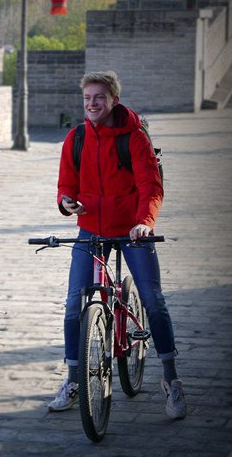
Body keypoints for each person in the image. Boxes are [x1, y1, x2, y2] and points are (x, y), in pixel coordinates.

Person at [49, 70, 186, 420]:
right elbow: (66, 185)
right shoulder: (76, 138)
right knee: (72, 303)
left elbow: (151, 187)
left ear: (113, 100)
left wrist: (144, 222)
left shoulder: (134, 138)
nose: (92, 104)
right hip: (90, 229)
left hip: (132, 230)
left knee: (153, 299)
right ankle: (73, 379)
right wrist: (68, 202)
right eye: (87, 99)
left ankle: (171, 378)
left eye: (99, 98)